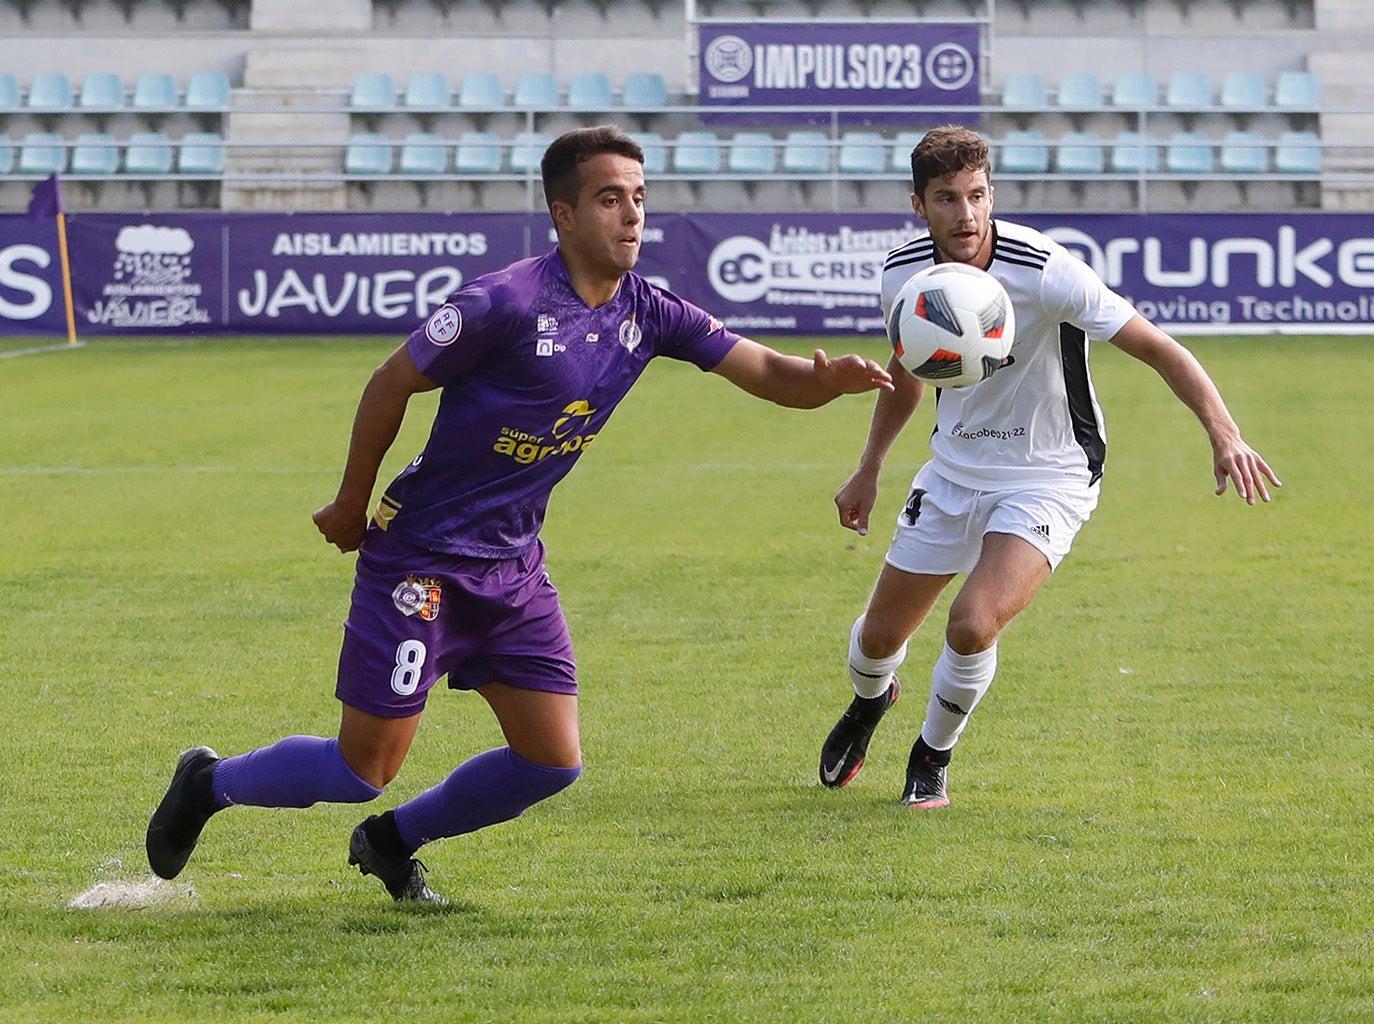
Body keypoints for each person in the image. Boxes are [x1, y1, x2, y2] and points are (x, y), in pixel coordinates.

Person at [147, 124, 893, 904]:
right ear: (564, 214)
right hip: (422, 558)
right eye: (611, 199)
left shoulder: (652, 311)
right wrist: (349, 502)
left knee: (550, 761)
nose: (632, 215)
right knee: (360, 770)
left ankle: (392, 842)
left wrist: (826, 382)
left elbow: (772, 372)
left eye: (639, 198)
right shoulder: (502, 303)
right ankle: (209, 783)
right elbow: (389, 382)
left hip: (512, 566)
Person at [817, 125, 1281, 808]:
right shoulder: (902, 273)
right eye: (947, 198)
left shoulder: (1046, 269)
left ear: (992, 193)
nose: (966, 214)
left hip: (1049, 475)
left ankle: (931, 756)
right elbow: (911, 369)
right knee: (879, 638)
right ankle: (869, 701)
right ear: (920, 206)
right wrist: (869, 467)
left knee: (973, 623)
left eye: (977, 195)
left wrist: (1225, 433)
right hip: (953, 471)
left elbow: (1157, 346)